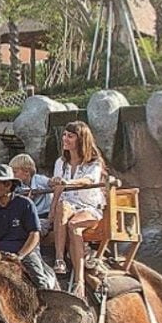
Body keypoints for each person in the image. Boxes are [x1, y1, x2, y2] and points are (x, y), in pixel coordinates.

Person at [49, 120, 106, 300]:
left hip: (88, 208)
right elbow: (58, 189)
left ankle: (80, 281)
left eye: (70, 136)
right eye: (65, 135)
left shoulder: (93, 163)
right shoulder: (61, 162)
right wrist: (51, 212)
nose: (65, 139)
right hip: (66, 207)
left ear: (80, 140)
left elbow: (89, 181)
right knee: (62, 206)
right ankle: (59, 259)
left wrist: (69, 183)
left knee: (74, 225)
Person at [0, 163, 56, 290]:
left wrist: (20, 256)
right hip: (0, 252)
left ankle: (49, 303)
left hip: (26, 252)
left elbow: (34, 235)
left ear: (8, 185)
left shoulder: (25, 204)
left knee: (40, 282)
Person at [9, 153, 53, 237]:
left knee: (32, 230)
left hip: (43, 216)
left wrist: (54, 181)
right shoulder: (18, 187)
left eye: (15, 172)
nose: (13, 176)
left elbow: (50, 182)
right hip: (27, 217)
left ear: (26, 172)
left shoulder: (39, 179)